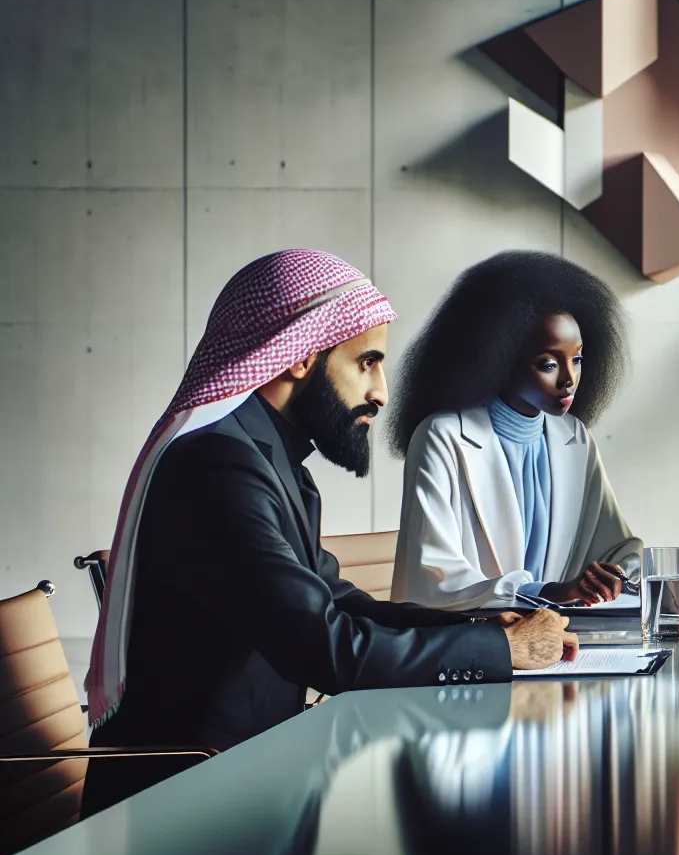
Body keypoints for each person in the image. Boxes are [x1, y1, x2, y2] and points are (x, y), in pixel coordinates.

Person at [83, 250, 576, 815]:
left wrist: (481, 626)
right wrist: (498, 649)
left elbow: (344, 606)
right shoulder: (219, 465)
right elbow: (323, 648)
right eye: (367, 362)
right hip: (188, 807)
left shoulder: (266, 458)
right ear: (299, 357)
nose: (382, 393)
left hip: (254, 781)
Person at [387, 251, 640, 609]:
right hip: (472, 646)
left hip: (559, 642)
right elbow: (434, 575)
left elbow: (619, 547)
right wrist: (545, 593)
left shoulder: (574, 437)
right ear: (498, 357)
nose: (569, 380)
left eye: (578, 359)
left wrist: (613, 575)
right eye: (548, 363)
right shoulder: (442, 436)